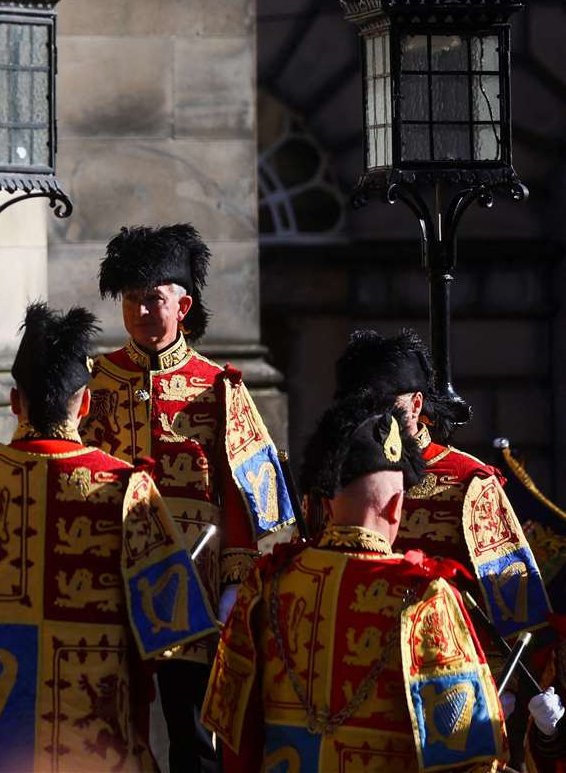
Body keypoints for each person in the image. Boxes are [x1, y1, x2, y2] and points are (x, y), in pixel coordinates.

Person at [0, 303, 215, 771]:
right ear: (84, 403)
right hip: (101, 746)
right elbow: (168, 643)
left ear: (16, 401)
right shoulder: (127, 488)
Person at [82, 223, 296, 772]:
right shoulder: (96, 381)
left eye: (152, 299)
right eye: (130, 300)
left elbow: (248, 496)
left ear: (183, 304)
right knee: (107, 725)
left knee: (193, 736)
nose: (139, 312)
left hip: (193, 583)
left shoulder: (218, 386)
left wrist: (233, 581)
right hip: (110, 577)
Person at [202, 395, 508, 771]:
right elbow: (469, 754)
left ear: (326, 503)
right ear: (397, 507)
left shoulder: (267, 584)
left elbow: (233, 733)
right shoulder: (425, 595)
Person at [331, 328, 549, 639]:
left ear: (416, 405)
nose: (371, 419)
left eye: (385, 406)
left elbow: (517, 608)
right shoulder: (332, 471)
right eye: (359, 407)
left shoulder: (467, 481)